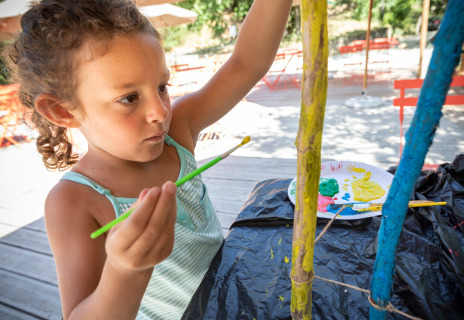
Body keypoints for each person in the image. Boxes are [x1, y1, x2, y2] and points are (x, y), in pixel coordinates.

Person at [4, 0, 293, 319]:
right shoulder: (74, 201)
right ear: (62, 111)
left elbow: (246, 64)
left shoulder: (178, 132)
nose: (160, 111)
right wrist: (126, 270)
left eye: (162, 87)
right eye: (129, 98)